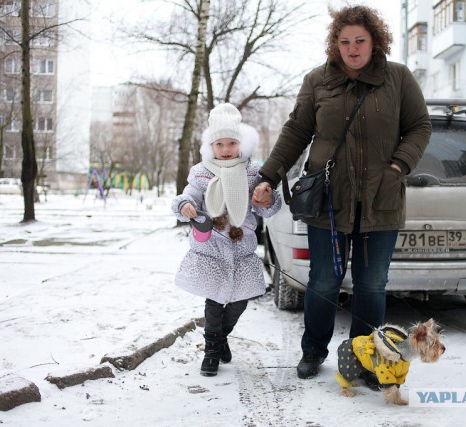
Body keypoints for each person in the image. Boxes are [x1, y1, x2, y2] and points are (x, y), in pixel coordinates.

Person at [252, 5, 431, 380]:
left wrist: (398, 166)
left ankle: (365, 358)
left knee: (371, 284)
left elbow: (419, 126)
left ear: (375, 41)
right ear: (335, 44)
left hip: (380, 201)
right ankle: (314, 350)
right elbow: (296, 132)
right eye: (345, 41)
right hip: (328, 203)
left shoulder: (397, 78)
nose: (352, 48)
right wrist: (268, 174)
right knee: (323, 281)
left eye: (360, 41)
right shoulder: (318, 80)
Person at [171, 103, 282, 377]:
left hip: (242, 248)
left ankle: (220, 337)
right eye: (219, 144)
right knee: (214, 301)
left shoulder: (252, 172)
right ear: (211, 146)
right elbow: (188, 198)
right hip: (211, 248)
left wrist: (267, 199)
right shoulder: (201, 172)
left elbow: (267, 207)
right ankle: (211, 351)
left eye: (231, 143)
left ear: (240, 144)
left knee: (240, 300)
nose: (226, 149)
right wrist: (185, 205)